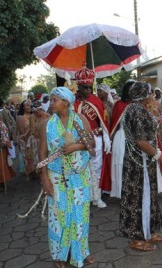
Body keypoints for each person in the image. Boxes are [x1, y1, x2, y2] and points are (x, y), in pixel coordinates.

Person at [39, 87, 95, 268]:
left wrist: (76, 147)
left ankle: (81, 253)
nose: (52, 103)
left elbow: (91, 143)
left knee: (80, 216)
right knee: (58, 216)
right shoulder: (47, 124)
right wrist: (44, 179)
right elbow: (42, 153)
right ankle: (60, 256)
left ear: (66, 103)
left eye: (55, 100)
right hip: (56, 177)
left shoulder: (81, 119)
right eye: (52, 100)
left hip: (79, 177)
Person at [120, 81, 162, 251]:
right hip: (138, 163)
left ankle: (150, 231)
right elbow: (141, 141)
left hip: (142, 161)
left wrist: (155, 120)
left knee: (149, 196)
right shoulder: (138, 111)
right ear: (144, 96)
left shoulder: (134, 109)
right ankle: (136, 238)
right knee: (136, 198)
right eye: (150, 94)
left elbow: (140, 131)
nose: (152, 97)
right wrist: (159, 156)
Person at [74, 66, 111, 208]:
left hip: (96, 138)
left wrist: (107, 137)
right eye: (85, 87)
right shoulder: (72, 102)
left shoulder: (96, 100)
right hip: (78, 140)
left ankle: (96, 196)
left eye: (90, 87)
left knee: (97, 168)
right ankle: (84, 197)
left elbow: (103, 120)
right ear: (79, 86)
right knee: (81, 167)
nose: (88, 90)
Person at [109, 80, 135, 198]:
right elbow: (114, 123)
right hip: (122, 137)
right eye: (131, 90)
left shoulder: (139, 104)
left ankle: (136, 190)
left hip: (136, 138)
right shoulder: (119, 104)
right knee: (121, 164)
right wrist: (109, 140)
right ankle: (122, 191)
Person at [16, 99, 34, 177]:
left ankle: (34, 172)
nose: (29, 107)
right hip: (25, 141)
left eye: (30, 105)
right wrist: (27, 142)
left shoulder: (33, 116)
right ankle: (28, 174)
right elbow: (22, 132)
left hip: (33, 141)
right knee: (26, 157)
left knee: (33, 157)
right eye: (27, 105)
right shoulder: (20, 117)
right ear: (23, 107)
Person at [0, 120, 15, 188]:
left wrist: (4, 142)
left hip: (1, 147)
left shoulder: (1, 123)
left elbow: (5, 133)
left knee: (1, 166)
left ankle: (2, 182)